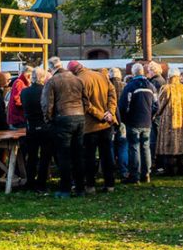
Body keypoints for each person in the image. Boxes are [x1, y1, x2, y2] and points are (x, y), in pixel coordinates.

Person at [42, 60, 89, 197]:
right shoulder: (77, 80)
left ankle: (65, 189)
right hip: (79, 117)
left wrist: (49, 120)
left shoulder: (52, 81)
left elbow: (47, 104)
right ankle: (80, 188)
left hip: (62, 118)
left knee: (64, 156)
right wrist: (82, 113)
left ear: (51, 69)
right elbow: (86, 101)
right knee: (78, 155)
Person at [74, 61, 117, 193]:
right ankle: (110, 184)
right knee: (107, 155)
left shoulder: (80, 80)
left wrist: (101, 115)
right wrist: (110, 112)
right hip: (106, 124)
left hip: (91, 125)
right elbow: (112, 93)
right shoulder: (101, 75)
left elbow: (86, 104)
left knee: (89, 156)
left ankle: (90, 185)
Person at [119, 62, 156, 184]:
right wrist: (151, 115)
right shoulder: (151, 86)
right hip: (147, 121)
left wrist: (124, 118)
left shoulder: (130, 86)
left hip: (133, 121)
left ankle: (135, 175)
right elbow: (157, 105)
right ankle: (146, 174)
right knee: (145, 147)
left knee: (134, 147)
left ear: (133, 73)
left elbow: (123, 105)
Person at [154, 70, 183, 175]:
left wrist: (157, 113)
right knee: (181, 143)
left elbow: (160, 104)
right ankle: (181, 168)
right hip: (182, 120)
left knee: (169, 144)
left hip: (168, 121)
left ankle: (169, 169)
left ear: (169, 77)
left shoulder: (166, 88)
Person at [21, 68, 51, 192]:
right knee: (45, 156)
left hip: (31, 126)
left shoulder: (24, 92)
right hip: (45, 126)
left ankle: (30, 181)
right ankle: (41, 183)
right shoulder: (46, 91)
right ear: (43, 78)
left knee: (32, 156)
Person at [107, 68, 128, 181]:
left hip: (110, 120)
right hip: (123, 120)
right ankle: (124, 170)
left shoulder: (107, 86)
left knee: (110, 145)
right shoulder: (125, 85)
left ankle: (110, 170)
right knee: (123, 146)